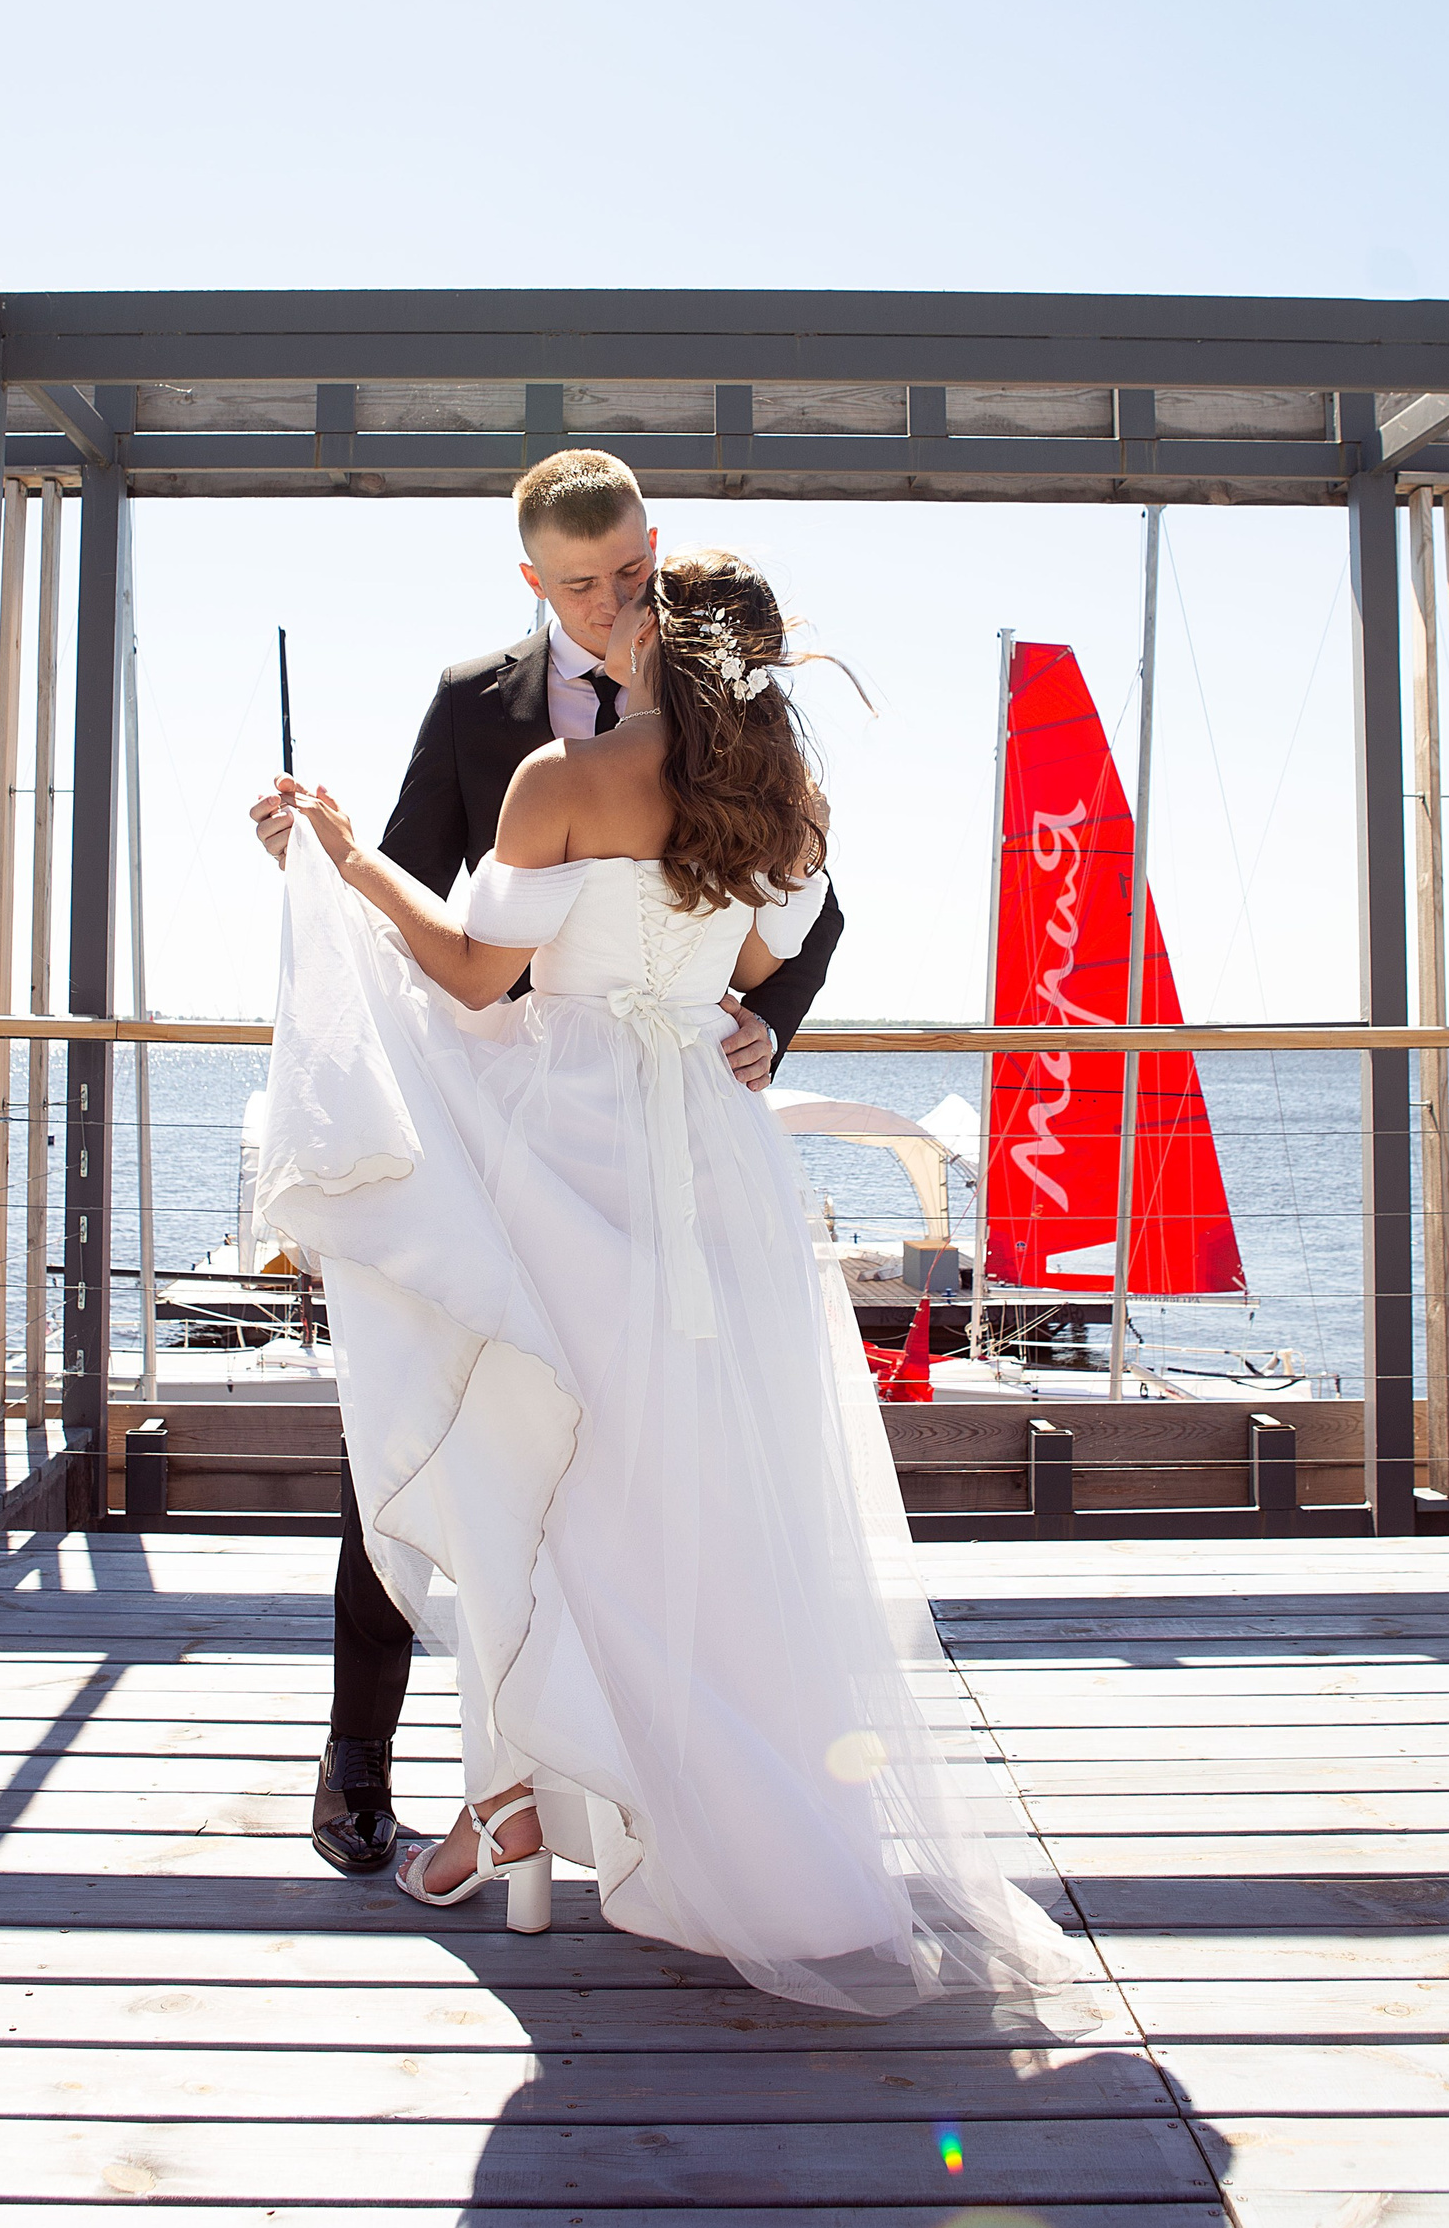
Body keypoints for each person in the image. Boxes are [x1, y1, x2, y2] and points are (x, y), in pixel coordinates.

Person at [250, 544, 1072, 2013]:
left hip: (567, 1149)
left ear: (648, 639)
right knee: (701, 1494)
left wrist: (343, 854)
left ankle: (513, 1813)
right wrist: (732, 1014)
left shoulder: (561, 778)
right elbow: (763, 957)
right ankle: (699, 1823)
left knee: (528, 1478)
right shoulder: (788, 796)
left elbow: (470, 973)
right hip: (712, 1153)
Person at [250, 451, 844, 1880]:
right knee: (448, 1403)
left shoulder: (693, 751)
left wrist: (763, 1023)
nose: (612, 603)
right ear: (534, 582)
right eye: (582, 585)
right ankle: (366, 1758)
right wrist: (318, 864)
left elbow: (806, 931)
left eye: (633, 574)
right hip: (527, 1121)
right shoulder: (479, 707)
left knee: (611, 1452)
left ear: (660, 555)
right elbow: (419, 894)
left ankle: (557, 1789)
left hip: (627, 1120)